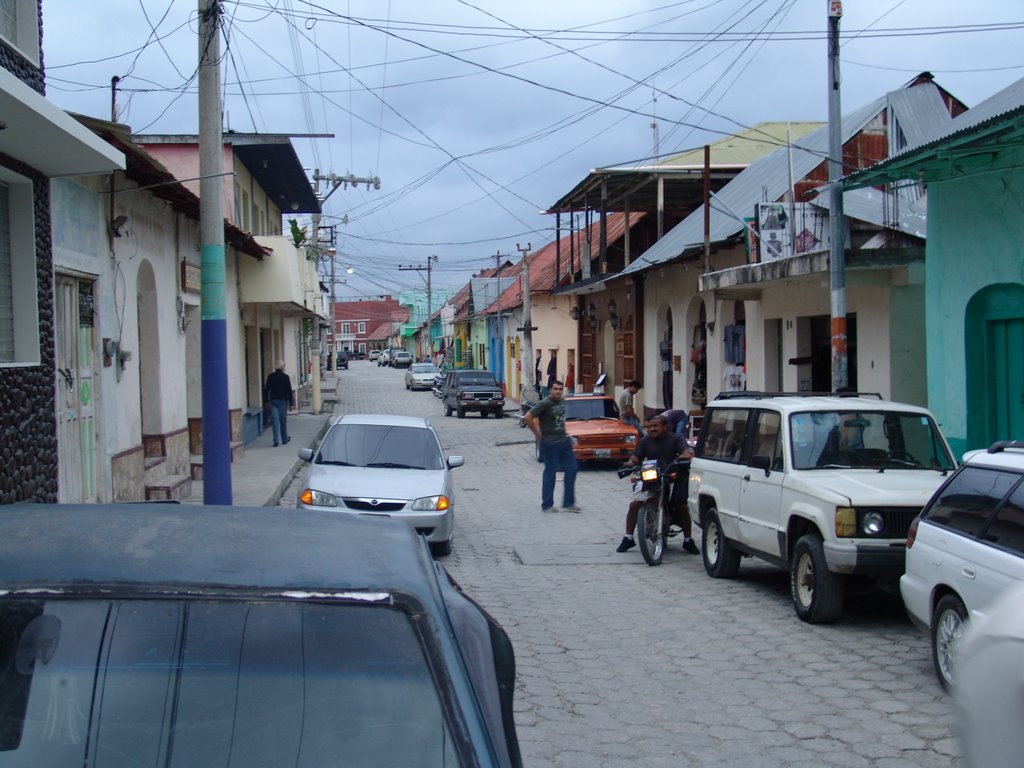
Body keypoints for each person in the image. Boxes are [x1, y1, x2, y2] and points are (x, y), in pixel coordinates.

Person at [616, 414, 698, 554]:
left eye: (655, 426)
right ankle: (628, 537)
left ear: (665, 427)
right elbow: (636, 456)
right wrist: (630, 463)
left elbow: (685, 452)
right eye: (649, 427)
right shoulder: (646, 440)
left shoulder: (675, 439)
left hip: (671, 476)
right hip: (651, 476)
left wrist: (684, 458)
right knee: (635, 503)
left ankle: (688, 540)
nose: (651, 429)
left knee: (681, 505)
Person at [523, 380, 579, 513]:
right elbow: (528, 417)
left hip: (564, 441)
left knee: (572, 469)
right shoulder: (545, 403)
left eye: (560, 389)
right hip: (550, 444)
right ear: (550, 390)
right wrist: (537, 433)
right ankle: (547, 505)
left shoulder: (562, 401)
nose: (558, 391)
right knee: (550, 473)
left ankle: (568, 503)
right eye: (555, 389)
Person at [263, 360, 294, 447]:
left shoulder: (270, 377)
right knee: (283, 421)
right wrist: (291, 403)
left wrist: (265, 401)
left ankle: (276, 440)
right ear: (282, 367)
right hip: (284, 401)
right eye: (284, 366)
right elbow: (289, 391)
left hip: (273, 401)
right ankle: (284, 439)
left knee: (275, 421)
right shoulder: (285, 377)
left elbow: (266, 390)